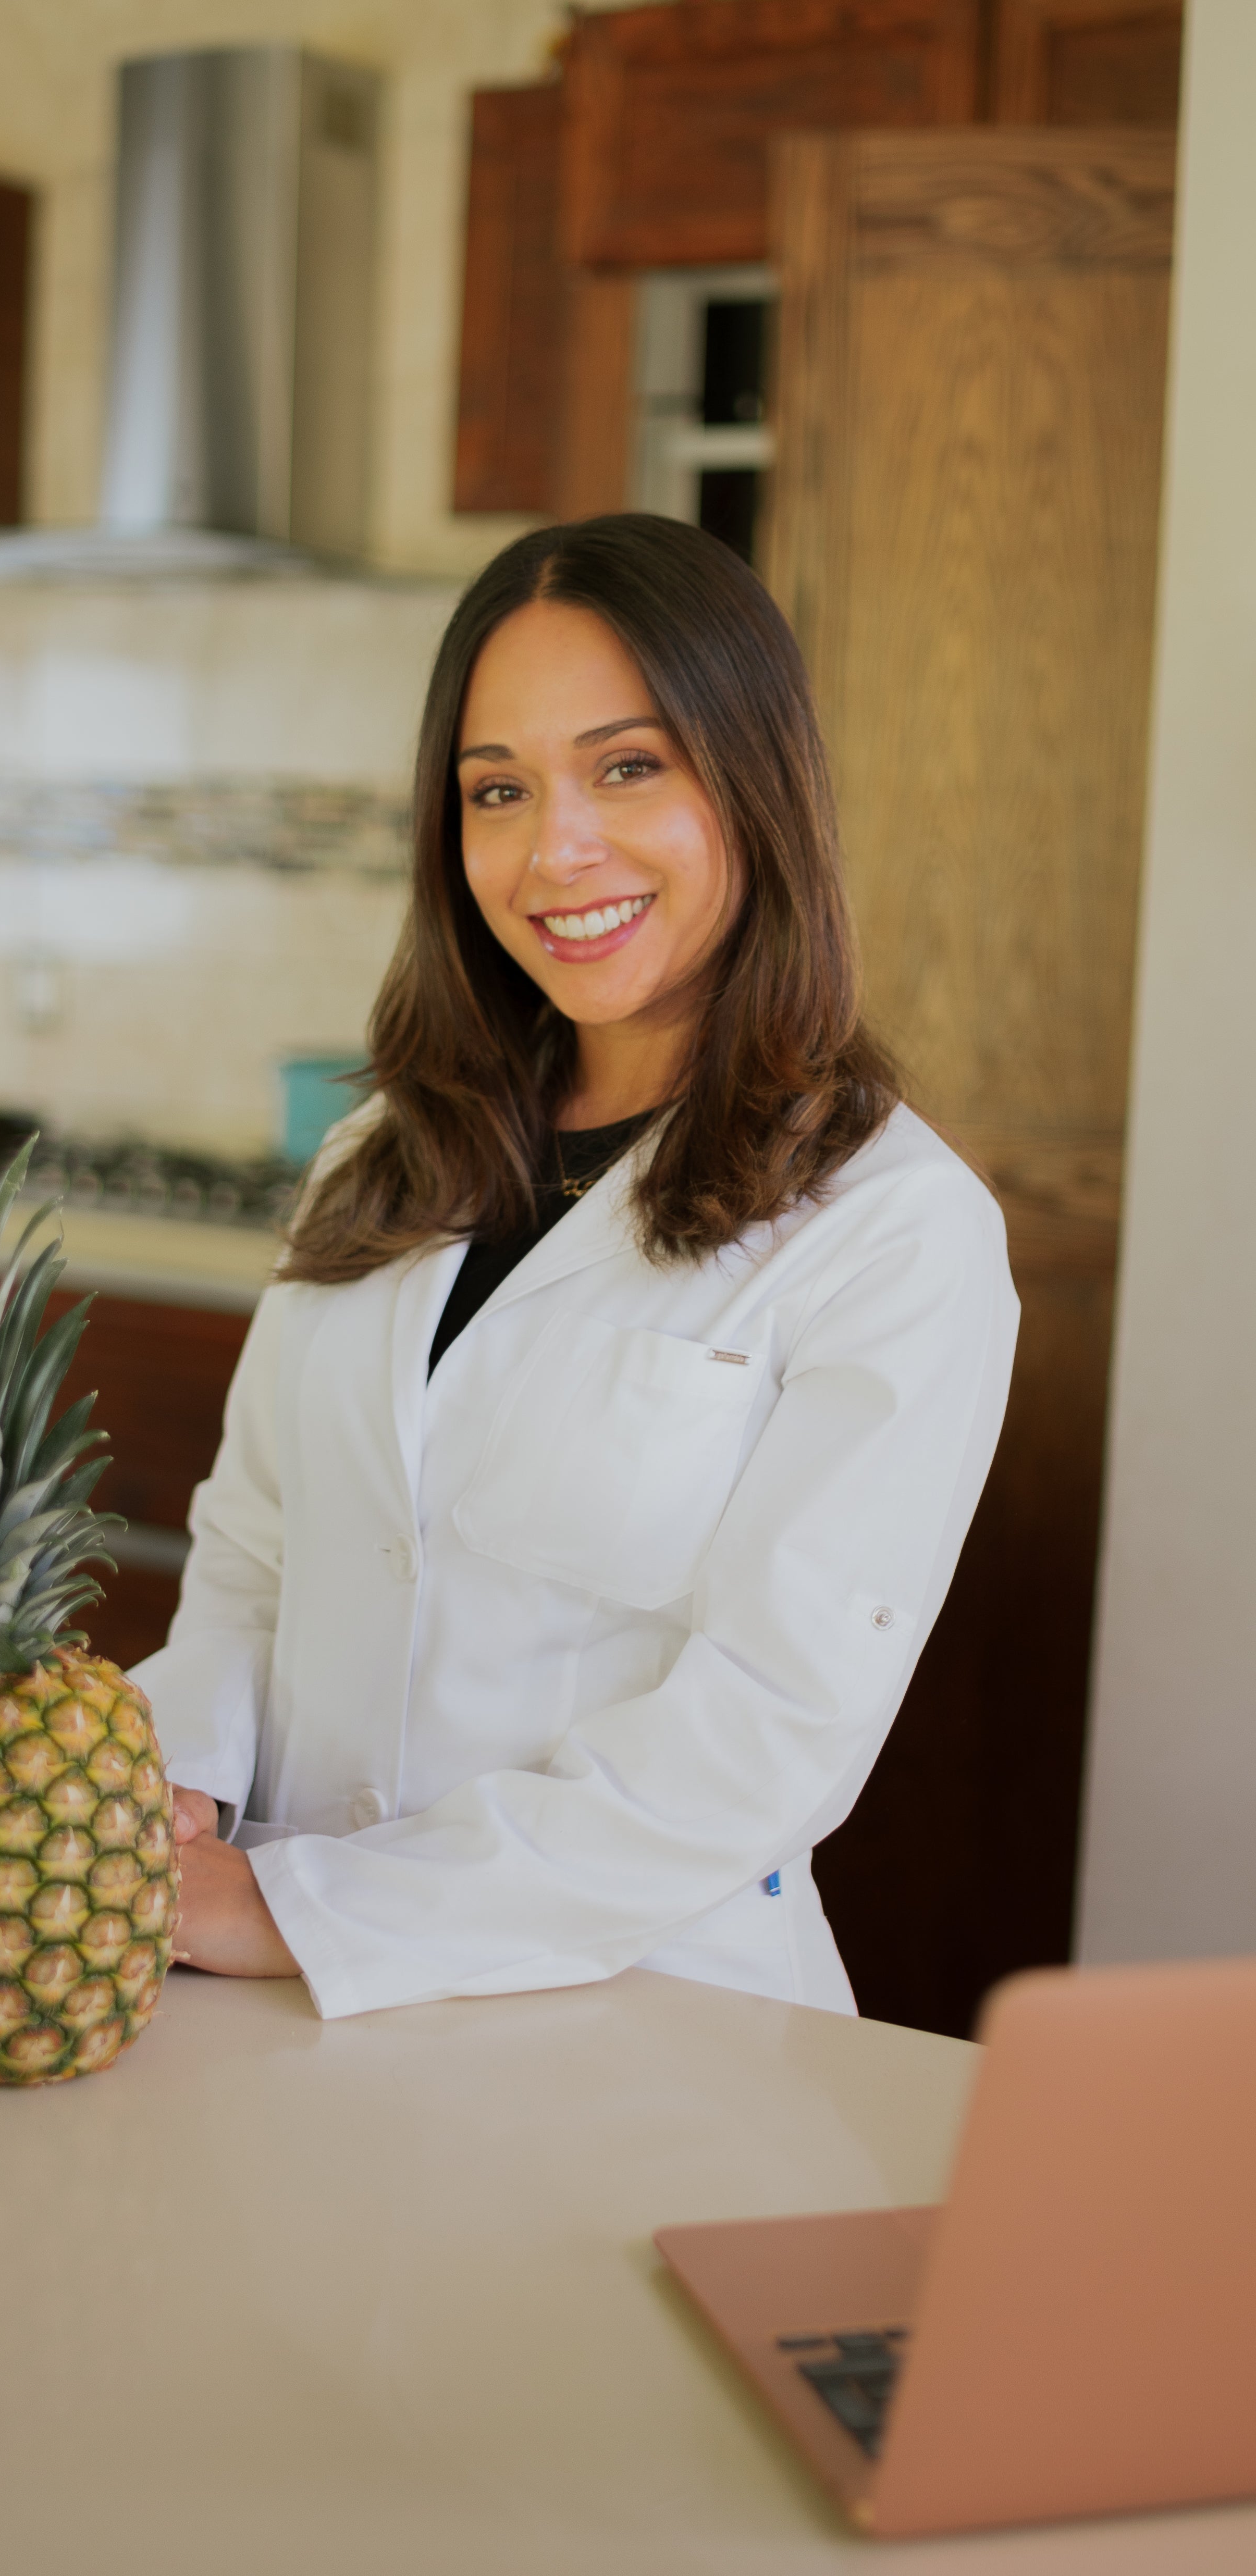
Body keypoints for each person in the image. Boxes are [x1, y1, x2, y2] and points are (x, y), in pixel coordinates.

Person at [134, 513, 1017, 2018]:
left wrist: (305, 1914)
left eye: (629, 766)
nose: (558, 851)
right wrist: (165, 1796)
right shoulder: (383, 1164)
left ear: (754, 778)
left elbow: (763, 1740)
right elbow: (253, 1561)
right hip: (265, 2001)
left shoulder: (897, 1231)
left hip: (641, 2023)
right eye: (498, 790)